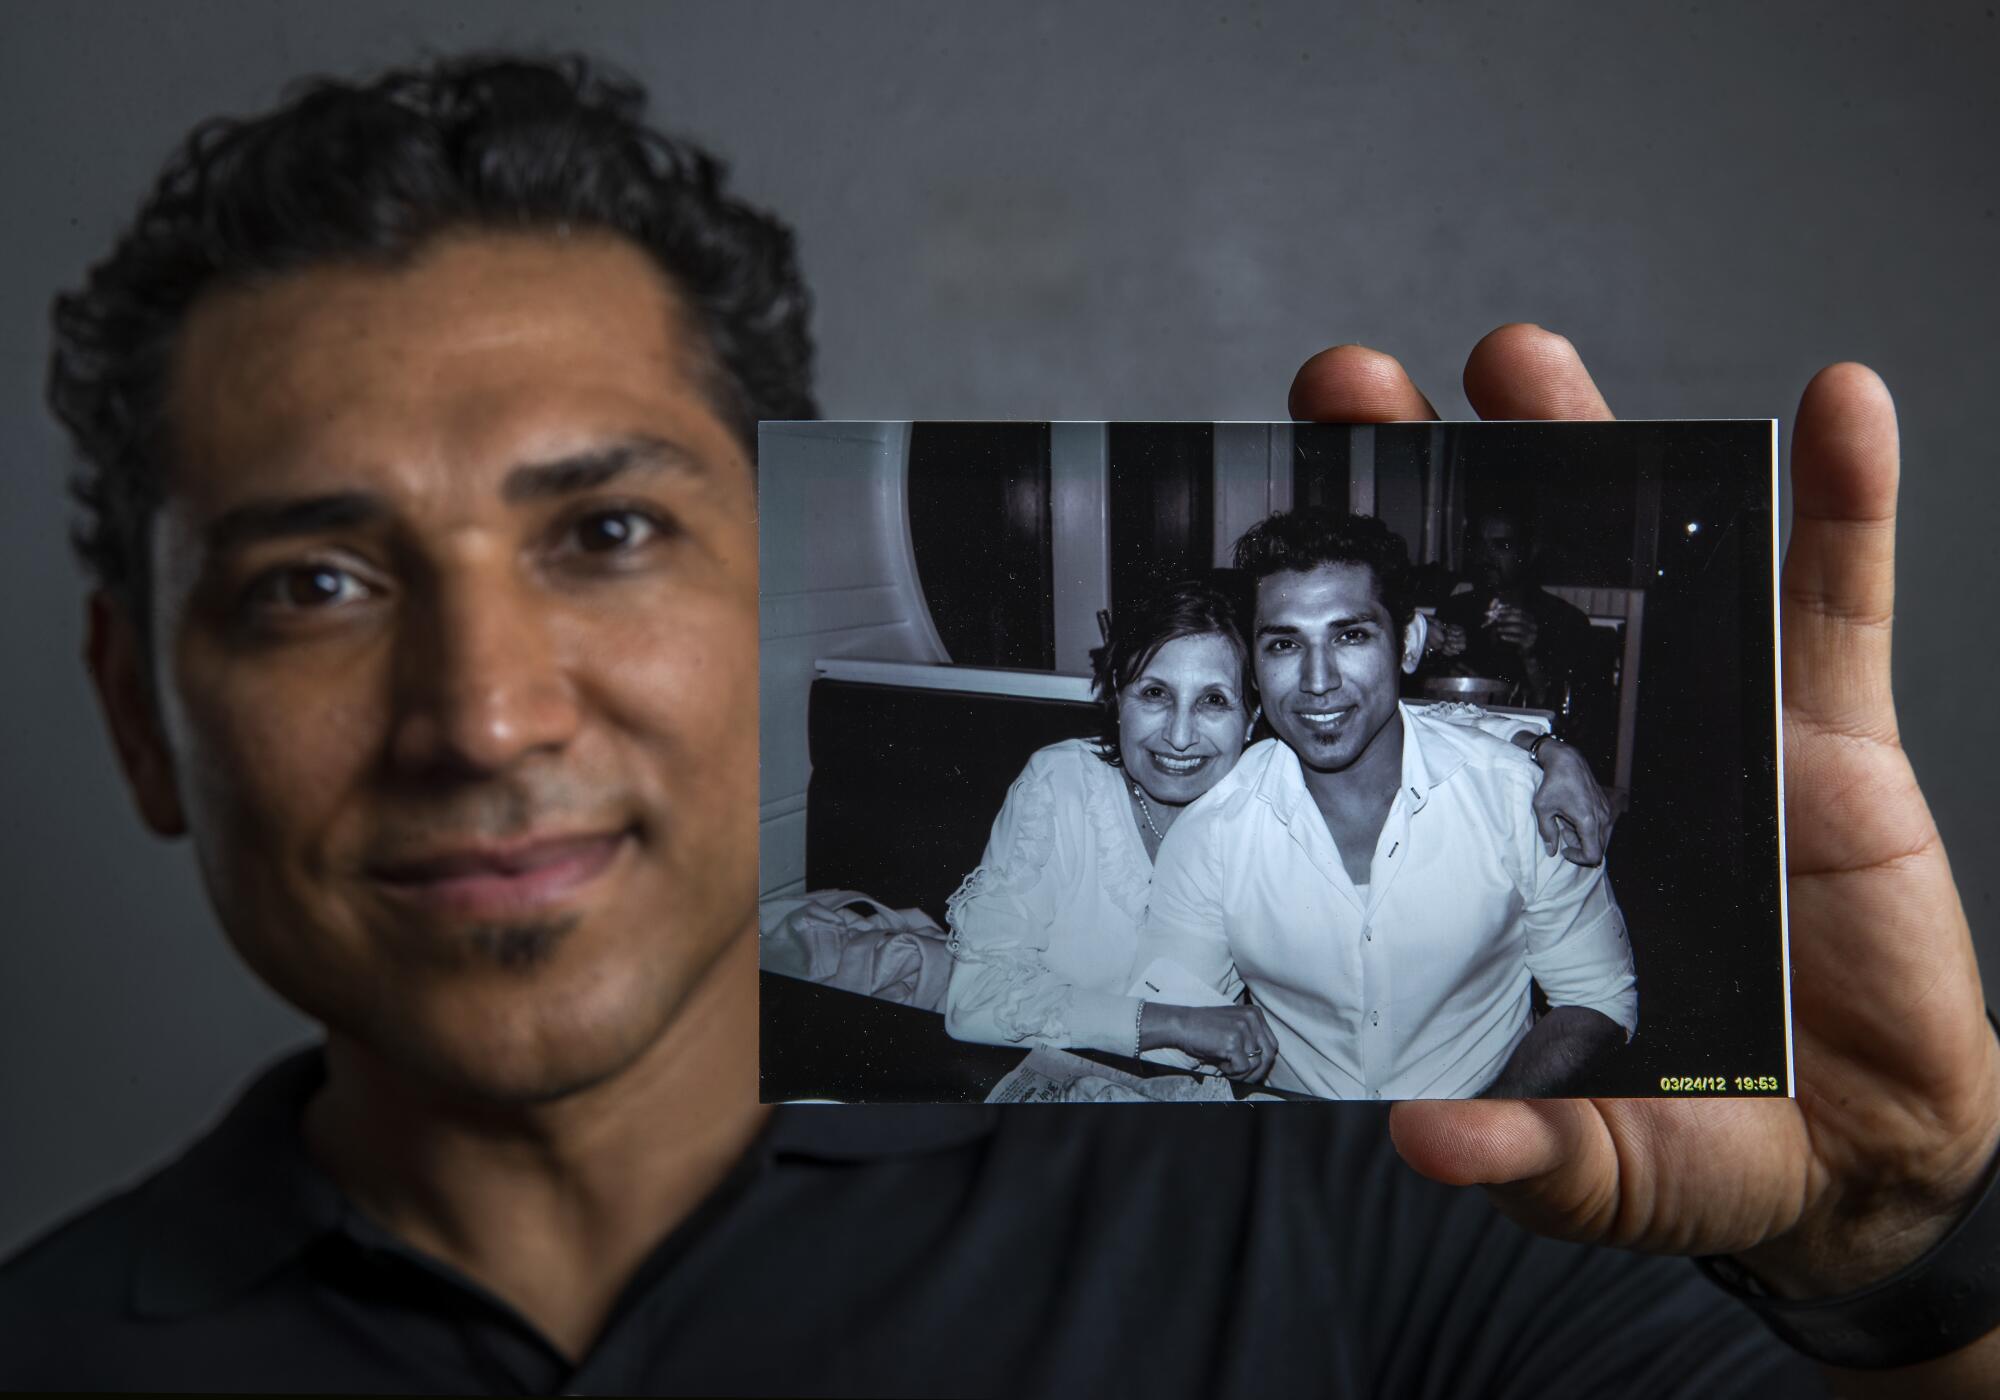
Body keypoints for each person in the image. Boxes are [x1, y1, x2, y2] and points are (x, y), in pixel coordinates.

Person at [3, 50, 1996, 1397]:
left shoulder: (1367, 1204)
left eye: (607, 531)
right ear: (140, 715)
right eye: (311, 586)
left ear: (770, 594)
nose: (486, 712)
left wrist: (1906, 1250)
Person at [943, 575, 1607, 1079]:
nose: (1178, 737)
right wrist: (1178, 1023)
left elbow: (1403, 723)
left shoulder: (1263, 799)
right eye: (1153, 694)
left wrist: (1545, 748)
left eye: (1213, 702)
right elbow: (974, 1001)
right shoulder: (1062, 785)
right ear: (1115, 695)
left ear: (1255, 716)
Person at [1140, 510, 1637, 1099]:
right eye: (1283, 644)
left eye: (1350, 636)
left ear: (1405, 645)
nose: (1317, 680)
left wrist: (1479, 1133)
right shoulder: (1212, 832)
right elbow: (1177, 1029)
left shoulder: (1519, 799)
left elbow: (1597, 999)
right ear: (1255, 663)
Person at [1425, 504, 1612, 764]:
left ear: (1529, 552)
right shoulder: (1454, 610)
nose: (1486, 557)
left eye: (1502, 546)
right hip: (1462, 751)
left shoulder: (1565, 620)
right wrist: (1438, 654)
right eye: (1481, 545)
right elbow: (1424, 699)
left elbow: (1575, 723)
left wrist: (1532, 655)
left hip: (1532, 756)